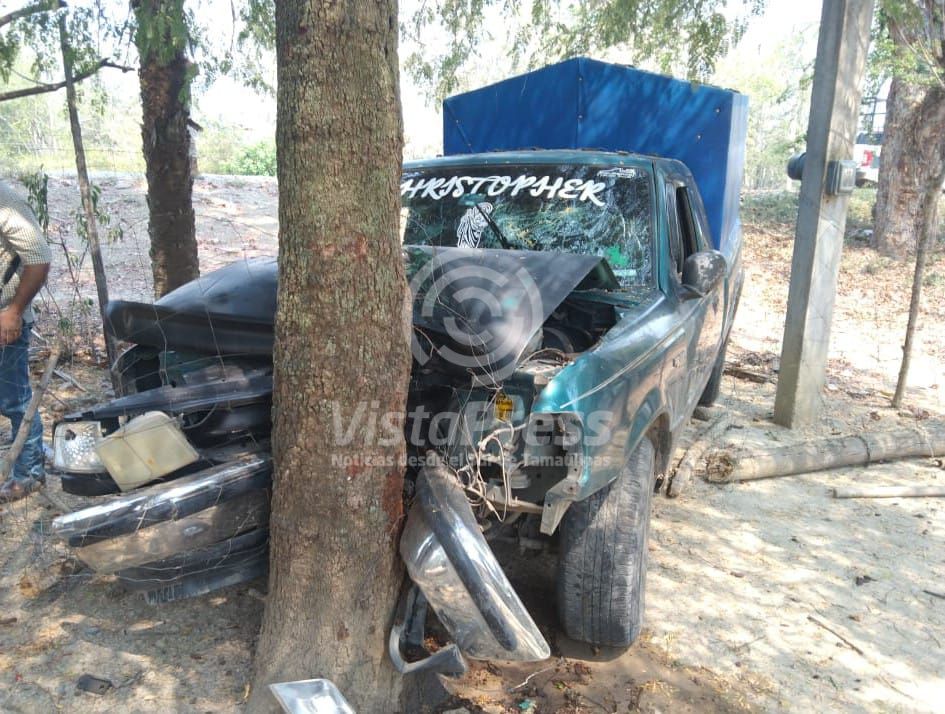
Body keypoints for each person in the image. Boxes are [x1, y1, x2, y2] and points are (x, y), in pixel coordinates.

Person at [0, 179, 52, 503]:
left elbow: (39, 258)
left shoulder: (4, 201)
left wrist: (14, 312)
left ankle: (30, 473)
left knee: (14, 399)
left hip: (3, 316)